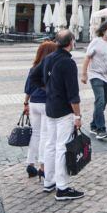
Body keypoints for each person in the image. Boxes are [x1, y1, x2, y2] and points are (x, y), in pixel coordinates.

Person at [30, 30, 84, 200]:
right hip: (63, 110)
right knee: (62, 146)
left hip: (50, 107)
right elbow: (73, 93)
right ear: (71, 42)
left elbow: (33, 76)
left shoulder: (49, 58)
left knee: (50, 144)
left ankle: (49, 181)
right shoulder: (68, 63)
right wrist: (78, 116)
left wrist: (48, 88)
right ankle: (62, 187)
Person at [81, 21, 107, 140]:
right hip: (96, 75)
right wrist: (84, 74)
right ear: (104, 30)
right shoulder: (96, 42)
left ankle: (93, 125)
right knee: (100, 100)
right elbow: (87, 57)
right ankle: (101, 129)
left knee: (103, 102)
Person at [22, 40, 56, 179]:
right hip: (46, 103)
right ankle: (43, 166)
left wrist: (25, 103)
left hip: (34, 102)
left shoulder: (34, 68)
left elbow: (28, 88)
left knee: (35, 134)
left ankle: (30, 164)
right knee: (45, 135)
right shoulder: (51, 69)